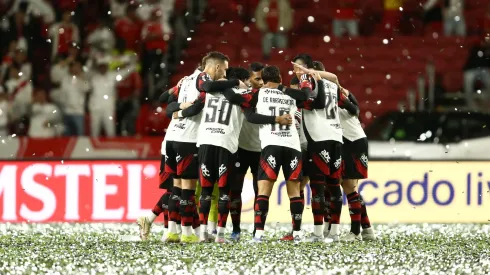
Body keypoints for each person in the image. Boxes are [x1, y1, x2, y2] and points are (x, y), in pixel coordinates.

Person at [162, 52, 233, 243]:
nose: (225, 73)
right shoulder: (203, 78)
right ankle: (186, 234)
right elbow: (201, 101)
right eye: (224, 69)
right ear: (217, 67)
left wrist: (177, 113)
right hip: (188, 138)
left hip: (172, 137)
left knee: (175, 188)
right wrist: (233, 83)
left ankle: (172, 231)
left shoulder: (185, 80)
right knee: (188, 189)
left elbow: (167, 103)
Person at [229, 62, 264, 241]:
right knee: (235, 191)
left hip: (262, 150)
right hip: (240, 149)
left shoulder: (269, 95)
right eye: (257, 78)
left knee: (261, 192)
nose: (261, 82)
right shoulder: (240, 94)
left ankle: (258, 231)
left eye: (263, 78)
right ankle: (235, 230)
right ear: (248, 80)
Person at [337, 87, 376, 241]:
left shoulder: (331, 91)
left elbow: (355, 110)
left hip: (352, 141)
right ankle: (367, 229)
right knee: (349, 188)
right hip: (349, 140)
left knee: (349, 186)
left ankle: (355, 232)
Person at [88, 56, 135, 137]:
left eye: (104, 66)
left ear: (107, 66)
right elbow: (87, 69)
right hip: (95, 108)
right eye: (101, 66)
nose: (103, 68)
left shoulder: (112, 76)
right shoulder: (93, 77)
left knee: (110, 132)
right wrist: (91, 60)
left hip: (108, 109)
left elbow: (130, 69)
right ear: (98, 67)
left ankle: (110, 147)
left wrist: (125, 60)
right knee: (94, 132)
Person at [60, 59, 90, 136]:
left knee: (80, 135)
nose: (76, 68)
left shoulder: (83, 80)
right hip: (66, 111)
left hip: (78, 112)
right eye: (75, 66)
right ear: (71, 68)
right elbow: (63, 94)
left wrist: (81, 78)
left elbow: (87, 88)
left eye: (78, 67)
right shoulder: (65, 79)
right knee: (66, 136)